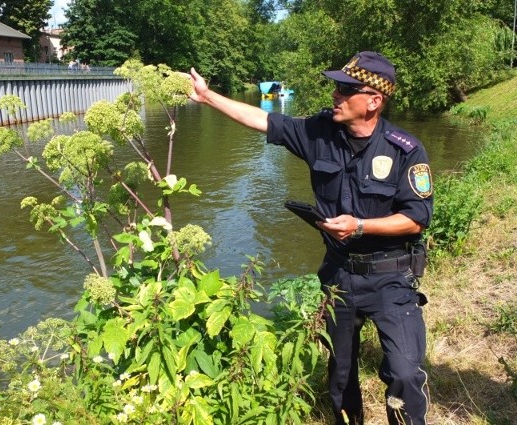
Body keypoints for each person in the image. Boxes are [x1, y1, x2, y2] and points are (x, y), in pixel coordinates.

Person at [186, 51, 433, 425]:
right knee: (341, 374)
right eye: (335, 86)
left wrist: (361, 226)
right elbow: (264, 120)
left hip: (391, 277)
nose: (335, 95)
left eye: (346, 89)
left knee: (403, 372)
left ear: (373, 100)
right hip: (339, 276)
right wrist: (208, 97)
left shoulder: (405, 149)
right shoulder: (319, 133)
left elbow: (416, 220)